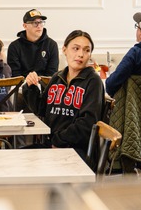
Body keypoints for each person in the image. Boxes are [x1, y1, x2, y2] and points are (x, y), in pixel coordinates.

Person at [32, 30, 105, 159]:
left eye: (87, 50)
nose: (81, 54)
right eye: (75, 48)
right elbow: (41, 109)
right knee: (15, 156)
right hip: (53, 145)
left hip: (78, 151)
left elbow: (87, 124)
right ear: (64, 50)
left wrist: (57, 141)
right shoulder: (57, 77)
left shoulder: (93, 81)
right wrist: (31, 87)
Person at [7, 9, 59, 112]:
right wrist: (29, 81)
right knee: (22, 97)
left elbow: (52, 73)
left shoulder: (51, 45)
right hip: (22, 88)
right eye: (35, 23)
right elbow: (15, 75)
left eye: (41, 22)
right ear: (25, 26)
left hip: (44, 87)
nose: (39, 26)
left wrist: (37, 80)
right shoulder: (14, 46)